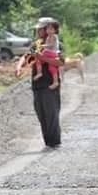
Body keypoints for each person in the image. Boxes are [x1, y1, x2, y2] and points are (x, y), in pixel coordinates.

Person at [32, 18, 64, 148]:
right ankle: (48, 142)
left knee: (51, 114)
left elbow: (60, 62)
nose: (38, 31)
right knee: (41, 115)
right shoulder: (36, 45)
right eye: (38, 29)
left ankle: (55, 142)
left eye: (41, 29)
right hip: (37, 85)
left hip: (49, 85)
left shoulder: (57, 44)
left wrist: (43, 58)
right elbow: (28, 58)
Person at [32, 20, 60, 90]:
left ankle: (41, 73)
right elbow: (27, 56)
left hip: (50, 54)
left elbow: (61, 61)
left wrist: (43, 47)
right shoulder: (37, 42)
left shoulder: (53, 37)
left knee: (40, 58)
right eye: (37, 30)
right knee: (51, 67)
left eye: (41, 29)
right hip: (38, 86)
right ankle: (54, 81)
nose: (38, 32)